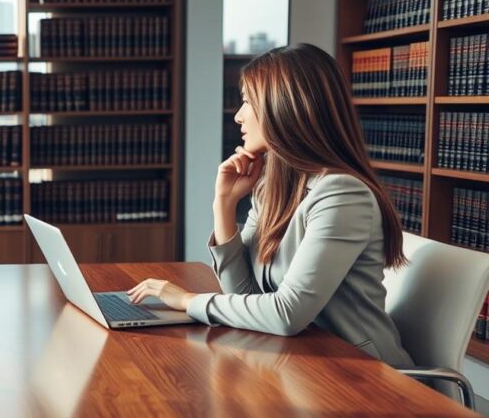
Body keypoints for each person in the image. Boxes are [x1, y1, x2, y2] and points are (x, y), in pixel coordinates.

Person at [128, 43, 413, 366]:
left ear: (285, 108)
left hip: (364, 374)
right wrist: (224, 204)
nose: (238, 115)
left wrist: (189, 300)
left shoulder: (343, 195)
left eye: (247, 101)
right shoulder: (274, 188)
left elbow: (287, 314)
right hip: (302, 362)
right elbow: (245, 294)